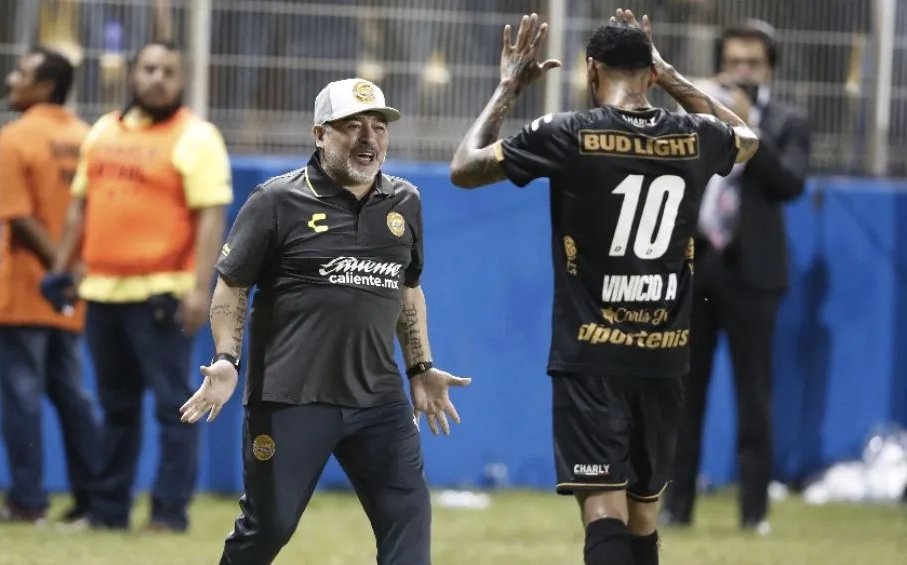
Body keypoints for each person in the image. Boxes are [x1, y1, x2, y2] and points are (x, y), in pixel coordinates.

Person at [449, 10, 758, 565]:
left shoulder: (569, 132)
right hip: (665, 356)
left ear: (592, 70)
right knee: (643, 515)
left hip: (591, 356)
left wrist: (506, 89)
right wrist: (674, 78)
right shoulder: (692, 135)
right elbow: (749, 139)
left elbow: (464, 167)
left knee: (604, 512)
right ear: (649, 71)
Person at [178, 77, 471, 565]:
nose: (368, 138)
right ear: (319, 135)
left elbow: (407, 288)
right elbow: (232, 285)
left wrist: (420, 367)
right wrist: (226, 359)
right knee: (267, 529)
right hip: (292, 398)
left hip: (379, 401)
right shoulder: (275, 201)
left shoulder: (405, 202)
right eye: (351, 127)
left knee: (409, 521)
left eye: (378, 127)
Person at [43, 39, 234, 532]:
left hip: (162, 295)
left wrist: (199, 289)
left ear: (181, 80)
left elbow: (211, 216)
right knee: (116, 408)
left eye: (168, 71)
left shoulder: (197, 136)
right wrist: (64, 269)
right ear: (132, 73)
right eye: (148, 68)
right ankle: (108, 513)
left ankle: (168, 515)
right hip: (103, 293)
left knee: (176, 409)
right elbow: (80, 206)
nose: (156, 78)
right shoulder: (103, 131)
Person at [661, 20, 810, 535]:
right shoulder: (697, 118)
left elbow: (791, 183)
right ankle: (676, 509)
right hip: (697, 265)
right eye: (735, 61)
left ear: (768, 67)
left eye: (753, 63)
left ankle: (754, 513)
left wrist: (752, 130)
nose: (743, 71)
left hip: (755, 274)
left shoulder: (789, 119)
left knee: (754, 396)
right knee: (684, 392)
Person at [0, 46, 100, 525]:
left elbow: (18, 217)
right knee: (72, 395)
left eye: (22, 73)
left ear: (46, 85)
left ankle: (27, 502)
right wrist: (72, 275)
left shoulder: (15, 136)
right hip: (72, 291)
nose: (11, 79)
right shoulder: (88, 138)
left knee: (21, 400)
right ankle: (93, 498)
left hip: (25, 288)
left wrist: (55, 270)